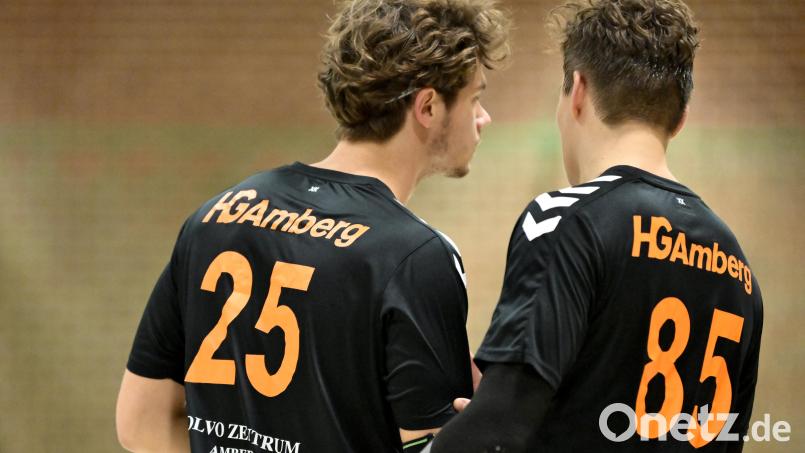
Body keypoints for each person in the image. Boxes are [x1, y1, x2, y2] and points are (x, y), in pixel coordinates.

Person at [115, 1, 510, 452]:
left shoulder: (213, 217)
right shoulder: (415, 256)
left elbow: (140, 422)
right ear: (428, 106)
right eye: (475, 99)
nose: (484, 118)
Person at [427, 0, 763, 452]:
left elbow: (497, 431)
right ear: (679, 119)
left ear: (578, 90)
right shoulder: (739, 270)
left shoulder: (567, 221)